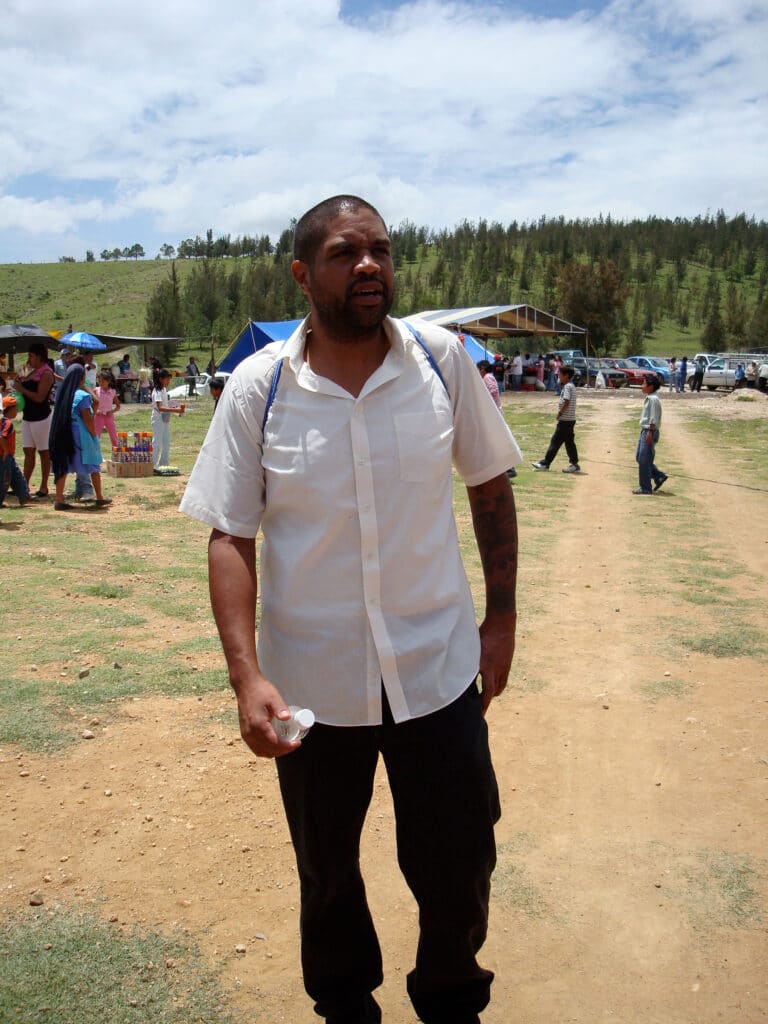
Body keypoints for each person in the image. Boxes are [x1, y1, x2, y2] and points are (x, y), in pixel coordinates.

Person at [180, 194, 521, 1024]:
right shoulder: (258, 391)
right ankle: (345, 1007)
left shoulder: (442, 362)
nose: (368, 265)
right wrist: (245, 676)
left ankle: (450, 997)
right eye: (344, 252)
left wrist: (502, 619)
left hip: (437, 672)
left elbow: (489, 485)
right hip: (311, 687)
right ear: (303, 274)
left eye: (380, 250)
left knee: (460, 858)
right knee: (326, 869)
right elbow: (232, 534)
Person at [49, 363, 112, 510]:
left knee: (63, 466)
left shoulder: (63, 395)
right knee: (93, 463)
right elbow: (87, 419)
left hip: (64, 433)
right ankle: (99, 497)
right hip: (80, 434)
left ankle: (59, 498)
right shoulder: (82, 396)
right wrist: (93, 435)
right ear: (81, 378)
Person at [13, 341, 54, 497]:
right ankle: (24, 486)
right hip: (28, 417)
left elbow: (39, 397)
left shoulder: (47, 373)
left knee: (44, 452)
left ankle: (44, 486)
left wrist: (21, 388)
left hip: (41, 418)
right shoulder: (30, 371)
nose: (28, 358)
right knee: (28, 451)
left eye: (31, 355)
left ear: (39, 356)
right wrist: (19, 382)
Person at [531, 363, 580, 473]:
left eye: (560, 375)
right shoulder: (571, 386)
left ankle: (545, 463)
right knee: (569, 442)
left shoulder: (567, 387)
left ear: (566, 375)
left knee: (555, 442)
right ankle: (574, 464)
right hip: (570, 420)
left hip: (565, 420)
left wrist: (559, 414)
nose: (559, 377)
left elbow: (566, 402)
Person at [477, 360, 516, 479]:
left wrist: (485, 400)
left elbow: (493, 391)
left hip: (493, 415)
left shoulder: (487, 377)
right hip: (493, 414)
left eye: (478, 369)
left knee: (495, 441)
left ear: (483, 368)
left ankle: (509, 468)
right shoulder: (489, 377)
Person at [633, 375, 667, 495]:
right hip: (646, 431)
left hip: (649, 431)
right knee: (640, 457)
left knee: (644, 459)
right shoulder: (650, 397)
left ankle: (646, 487)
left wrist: (650, 433)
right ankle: (658, 476)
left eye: (644, 384)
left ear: (651, 386)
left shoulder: (653, 399)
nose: (642, 386)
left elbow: (653, 418)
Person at [0, 395, 34, 507]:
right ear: (9, 410)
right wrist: (5, 450)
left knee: (16, 475)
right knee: (4, 479)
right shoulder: (6, 423)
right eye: (15, 408)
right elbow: (1, 437)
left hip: (8, 455)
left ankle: (24, 496)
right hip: (4, 456)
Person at [151, 370, 184, 468]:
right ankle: (153, 465)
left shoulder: (164, 390)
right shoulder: (157, 391)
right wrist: (176, 411)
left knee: (166, 442)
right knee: (157, 442)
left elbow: (166, 404)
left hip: (165, 418)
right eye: (167, 379)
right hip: (157, 418)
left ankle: (163, 464)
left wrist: (174, 409)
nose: (168, 382)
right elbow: (160, 408)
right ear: (161, 379)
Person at [93, 371, 120, 449]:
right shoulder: (96, 390)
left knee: (113, 436)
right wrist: (96, 411)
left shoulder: (112, 392)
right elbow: (90, 404)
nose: (100, 383)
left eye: (103, 381)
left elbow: (118, 406)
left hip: (109, 417)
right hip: (98, 417)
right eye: (99, 381)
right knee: (96, 436)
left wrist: (112, 411)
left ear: (109, 381)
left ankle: (116, 454)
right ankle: (95, 455)